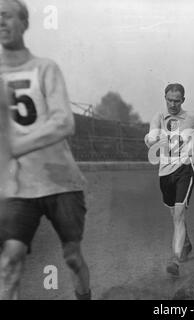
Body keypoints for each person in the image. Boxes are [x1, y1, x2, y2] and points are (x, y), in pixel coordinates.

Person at [0, 0, 91, 300]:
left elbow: (64, 122)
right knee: (10, 259)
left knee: (72, 257)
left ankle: (85, 294)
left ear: (25, 23)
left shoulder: (44, 68)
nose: (1, 21)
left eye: (7, 15)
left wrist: (16, 147)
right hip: (19, 188)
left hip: (60, 182)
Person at [145, 83, 194, 276]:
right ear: (165, 98)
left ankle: (175, 261)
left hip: (185, 169)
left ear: (183, 100)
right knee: (175, 216)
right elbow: (151, 136)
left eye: (177, 100)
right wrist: (151, 139)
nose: (173, 104)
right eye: (169, 100)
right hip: (165, 172)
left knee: (179, 215)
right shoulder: (158, 117)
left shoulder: (192, 117)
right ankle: (186, 244)